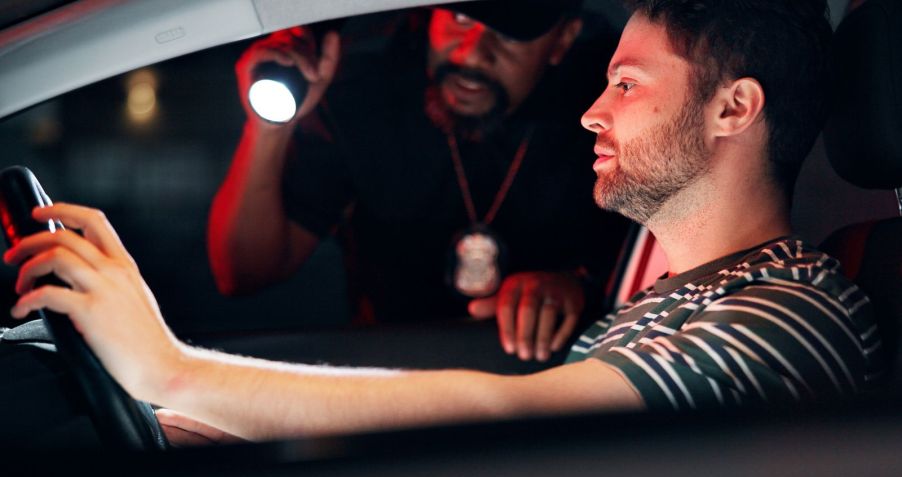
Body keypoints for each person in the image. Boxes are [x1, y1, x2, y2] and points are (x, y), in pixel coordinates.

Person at [4, 0, 883, 443]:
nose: (591, 112)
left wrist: (170, 367)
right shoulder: (687, 296)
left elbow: (514, 416)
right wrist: (177, 421)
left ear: (735, 110)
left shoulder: (783, 318)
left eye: (625, 84)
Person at [207, 0, 631, 363]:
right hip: (386, 372)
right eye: (461, 20)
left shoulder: (603, 112)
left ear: (562, 40)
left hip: (551, 381)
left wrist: (576, 285)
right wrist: (269, 128)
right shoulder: (366, 91)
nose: (472, 54)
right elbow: (243, 273)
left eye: (510, 34)